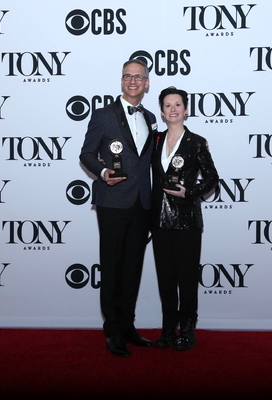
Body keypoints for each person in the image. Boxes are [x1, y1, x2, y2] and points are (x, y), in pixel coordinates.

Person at [79, 59, 158, 357]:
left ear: (147, 83)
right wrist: (102, 174)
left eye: (139, 77)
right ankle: (112, 331)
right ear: (121, 81)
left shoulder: (151, 117)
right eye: (128, 76)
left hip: (141, 202)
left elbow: (153, 159)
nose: (133, 81)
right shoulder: (103, 115)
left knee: (132, 268)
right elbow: (86, 154)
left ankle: (127, 325)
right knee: (112, 266)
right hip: (111, 201)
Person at [151, 86, 219, 351]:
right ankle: (168, 330)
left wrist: (189, 192)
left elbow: (213, 178)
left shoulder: (196, 142)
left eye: (178, 104)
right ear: (162, 111)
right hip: (158, 221)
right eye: (168, 105)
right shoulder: (154, 141)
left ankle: (188, 331)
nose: (173, 109)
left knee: (187, 279)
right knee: (165, 279)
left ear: (186, 110)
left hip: (186, 221)